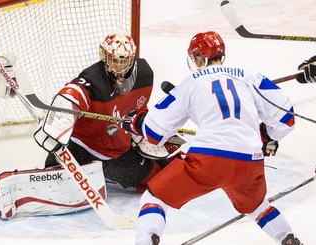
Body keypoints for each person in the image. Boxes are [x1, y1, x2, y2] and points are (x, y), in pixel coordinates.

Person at [0, 33, 184, 220]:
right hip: (80, 150)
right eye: (113, 60)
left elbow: (138, 110)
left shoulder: (144, 75)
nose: (118, 66)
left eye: (123, 61)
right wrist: (57, 125)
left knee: (160, 179)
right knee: (53, 183)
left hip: (119, 153)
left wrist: (142, 134)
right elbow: (70, 96)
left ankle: (109, 174)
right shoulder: (92, 80)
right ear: (104, 55)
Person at [122, 31, 304, 245]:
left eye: (195, 56)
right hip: (250, 162)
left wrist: (136, 122)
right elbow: (287, 118)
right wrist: (265, 135)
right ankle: (290, 240)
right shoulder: (249, 75)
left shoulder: (191, 83)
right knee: (258, 207)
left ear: (200, 56)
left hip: (209, 161)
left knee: (155, 198)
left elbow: (154, 134)